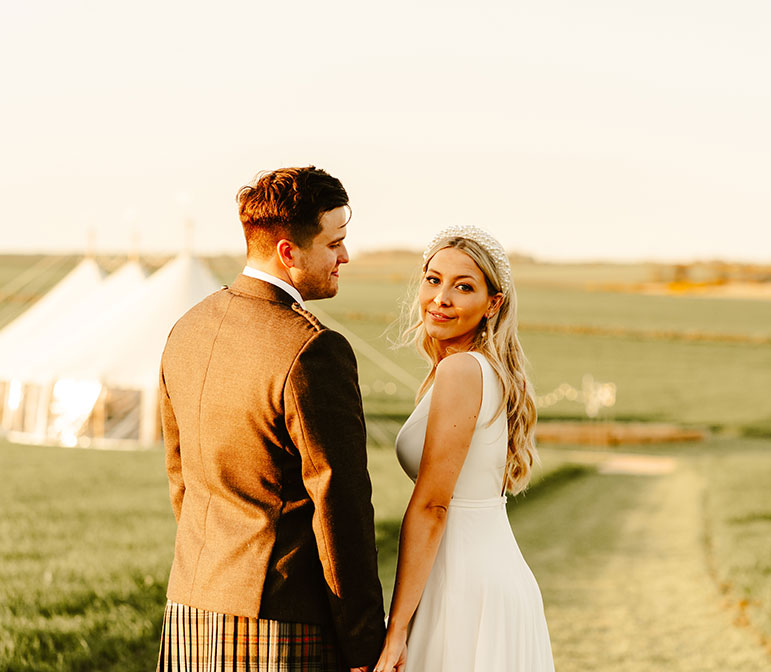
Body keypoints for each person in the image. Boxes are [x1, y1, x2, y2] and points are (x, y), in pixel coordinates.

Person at [156, 166, 385, 672]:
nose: (345, 256)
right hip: (281, 620)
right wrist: (365, 642)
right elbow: (341, 507)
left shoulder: (186, 330)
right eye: (334, 244)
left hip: (192, 604)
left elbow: (182, 479)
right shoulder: (313, 350)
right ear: (289, 252)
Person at [373, 225, 555, 672]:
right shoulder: (477, 370)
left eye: (464, 286)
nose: (441, 298)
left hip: (464, 588)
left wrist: (396, 631)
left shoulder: (461, 371)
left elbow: (433, 505)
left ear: (493, 304)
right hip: (482, 575)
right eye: (433, 279)